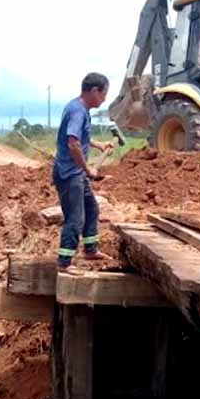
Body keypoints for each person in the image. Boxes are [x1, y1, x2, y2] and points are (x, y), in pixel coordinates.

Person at [53, 72, 114, 275]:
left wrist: (98, 144)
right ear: (94, 91)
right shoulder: (78, 111)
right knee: (75, 218)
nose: (104, 99)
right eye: (104, 94)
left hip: (76, 173)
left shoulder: (79, 108)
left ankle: (90, 249)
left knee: (92, 209)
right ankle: (64, 262)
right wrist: (87, 168)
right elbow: (73, 143)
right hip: (70, 174)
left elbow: (81, 137)